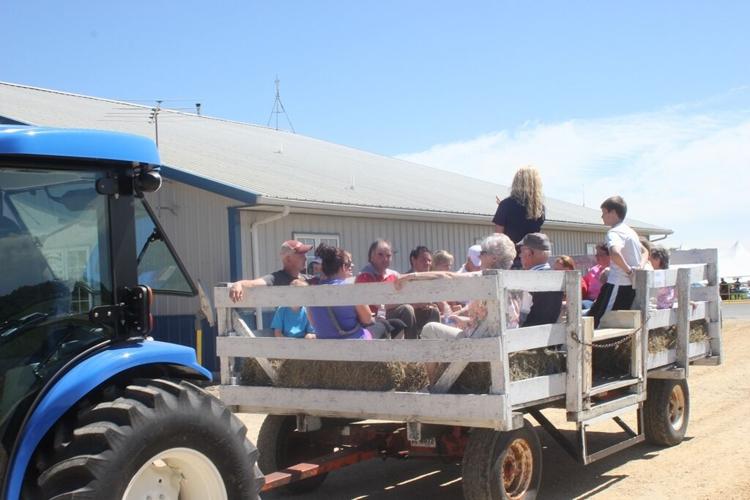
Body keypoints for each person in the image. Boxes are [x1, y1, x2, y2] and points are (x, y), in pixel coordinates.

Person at [393, 233, 522, 383]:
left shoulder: (487, 277)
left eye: (483, 253)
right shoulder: (513, 279)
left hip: (483, 343)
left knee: (430, 329)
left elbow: (448, 276)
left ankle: (435, 384)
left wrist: (411, 276)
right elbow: (494, 318)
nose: (480, 257)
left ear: (494, 258)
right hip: (506, 341)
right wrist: (465, 319)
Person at [307, 244, 403, 339]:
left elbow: (312, 322)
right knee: (386, 324)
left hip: (325, 346)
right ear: (344, 267)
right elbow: (368, 320)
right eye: (348, 265)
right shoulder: (351, 290)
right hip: (354, 343)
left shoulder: (313, 291)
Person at [587, 196, 643, 328]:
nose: (602, 216)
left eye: (604, 212)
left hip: (618, 283)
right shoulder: (630, 232)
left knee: (603, 322)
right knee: (603, 318)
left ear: (612, 213)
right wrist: (638, 267)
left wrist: (629, 271)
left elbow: (615, 253)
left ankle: (596, 349)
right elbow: (645, 250)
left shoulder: (614, 232)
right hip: (628, 285)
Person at [355, 239, 420, 339]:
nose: (385, 258)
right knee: (406, 309)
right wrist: (403, 300)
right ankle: (413, 348)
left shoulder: (393, 275)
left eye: (388, 256)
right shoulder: (364, 276)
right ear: (371, 257)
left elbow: (408, 292)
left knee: (428, 310)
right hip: (373, 319)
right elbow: (377, 303)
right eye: (380, 255)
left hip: (389, 313)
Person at [492, 165, 545, 269]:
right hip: (532, 260)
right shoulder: (539, 208)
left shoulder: (506, 204)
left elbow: (498, 238)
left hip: (510, 261)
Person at [228, 239, 312, 302]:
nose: (305, 258)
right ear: (288, 259)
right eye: (301, 255)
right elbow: (253, 283)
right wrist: (238, 284)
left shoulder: (309, 279)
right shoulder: (276, 278)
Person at [518, 233, 563, 326]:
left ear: (529, 253)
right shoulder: (556, 277)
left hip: (527, 334)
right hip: (551, 334)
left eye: (521, 251)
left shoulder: (527, 280)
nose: (519, 255)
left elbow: (522, 316)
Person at [582, 243, 610, 307]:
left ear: (610, 255)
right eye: (596, 255)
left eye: (601, 255)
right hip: (589, 300)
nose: (597, 257)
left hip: (602, 302)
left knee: (582, 305)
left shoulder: (614, 271)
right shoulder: (593, 270)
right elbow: (584, 284)